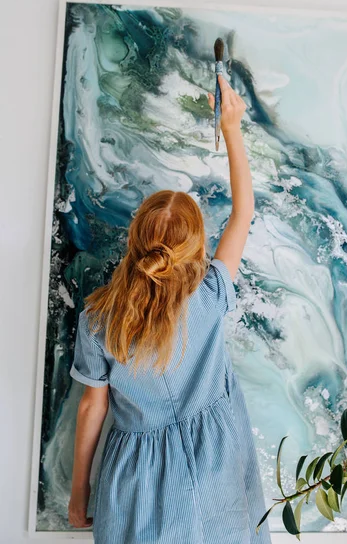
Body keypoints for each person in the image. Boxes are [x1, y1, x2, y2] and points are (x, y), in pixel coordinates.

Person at [68, 75, 271, 544]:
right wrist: (232, 126)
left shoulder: (98, 320)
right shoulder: (211, 291)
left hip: (136, 480)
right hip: (216, 465)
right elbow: (244, 212)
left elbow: (91, 409)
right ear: (196, 247)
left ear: (134, 237)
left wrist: (80, 492)